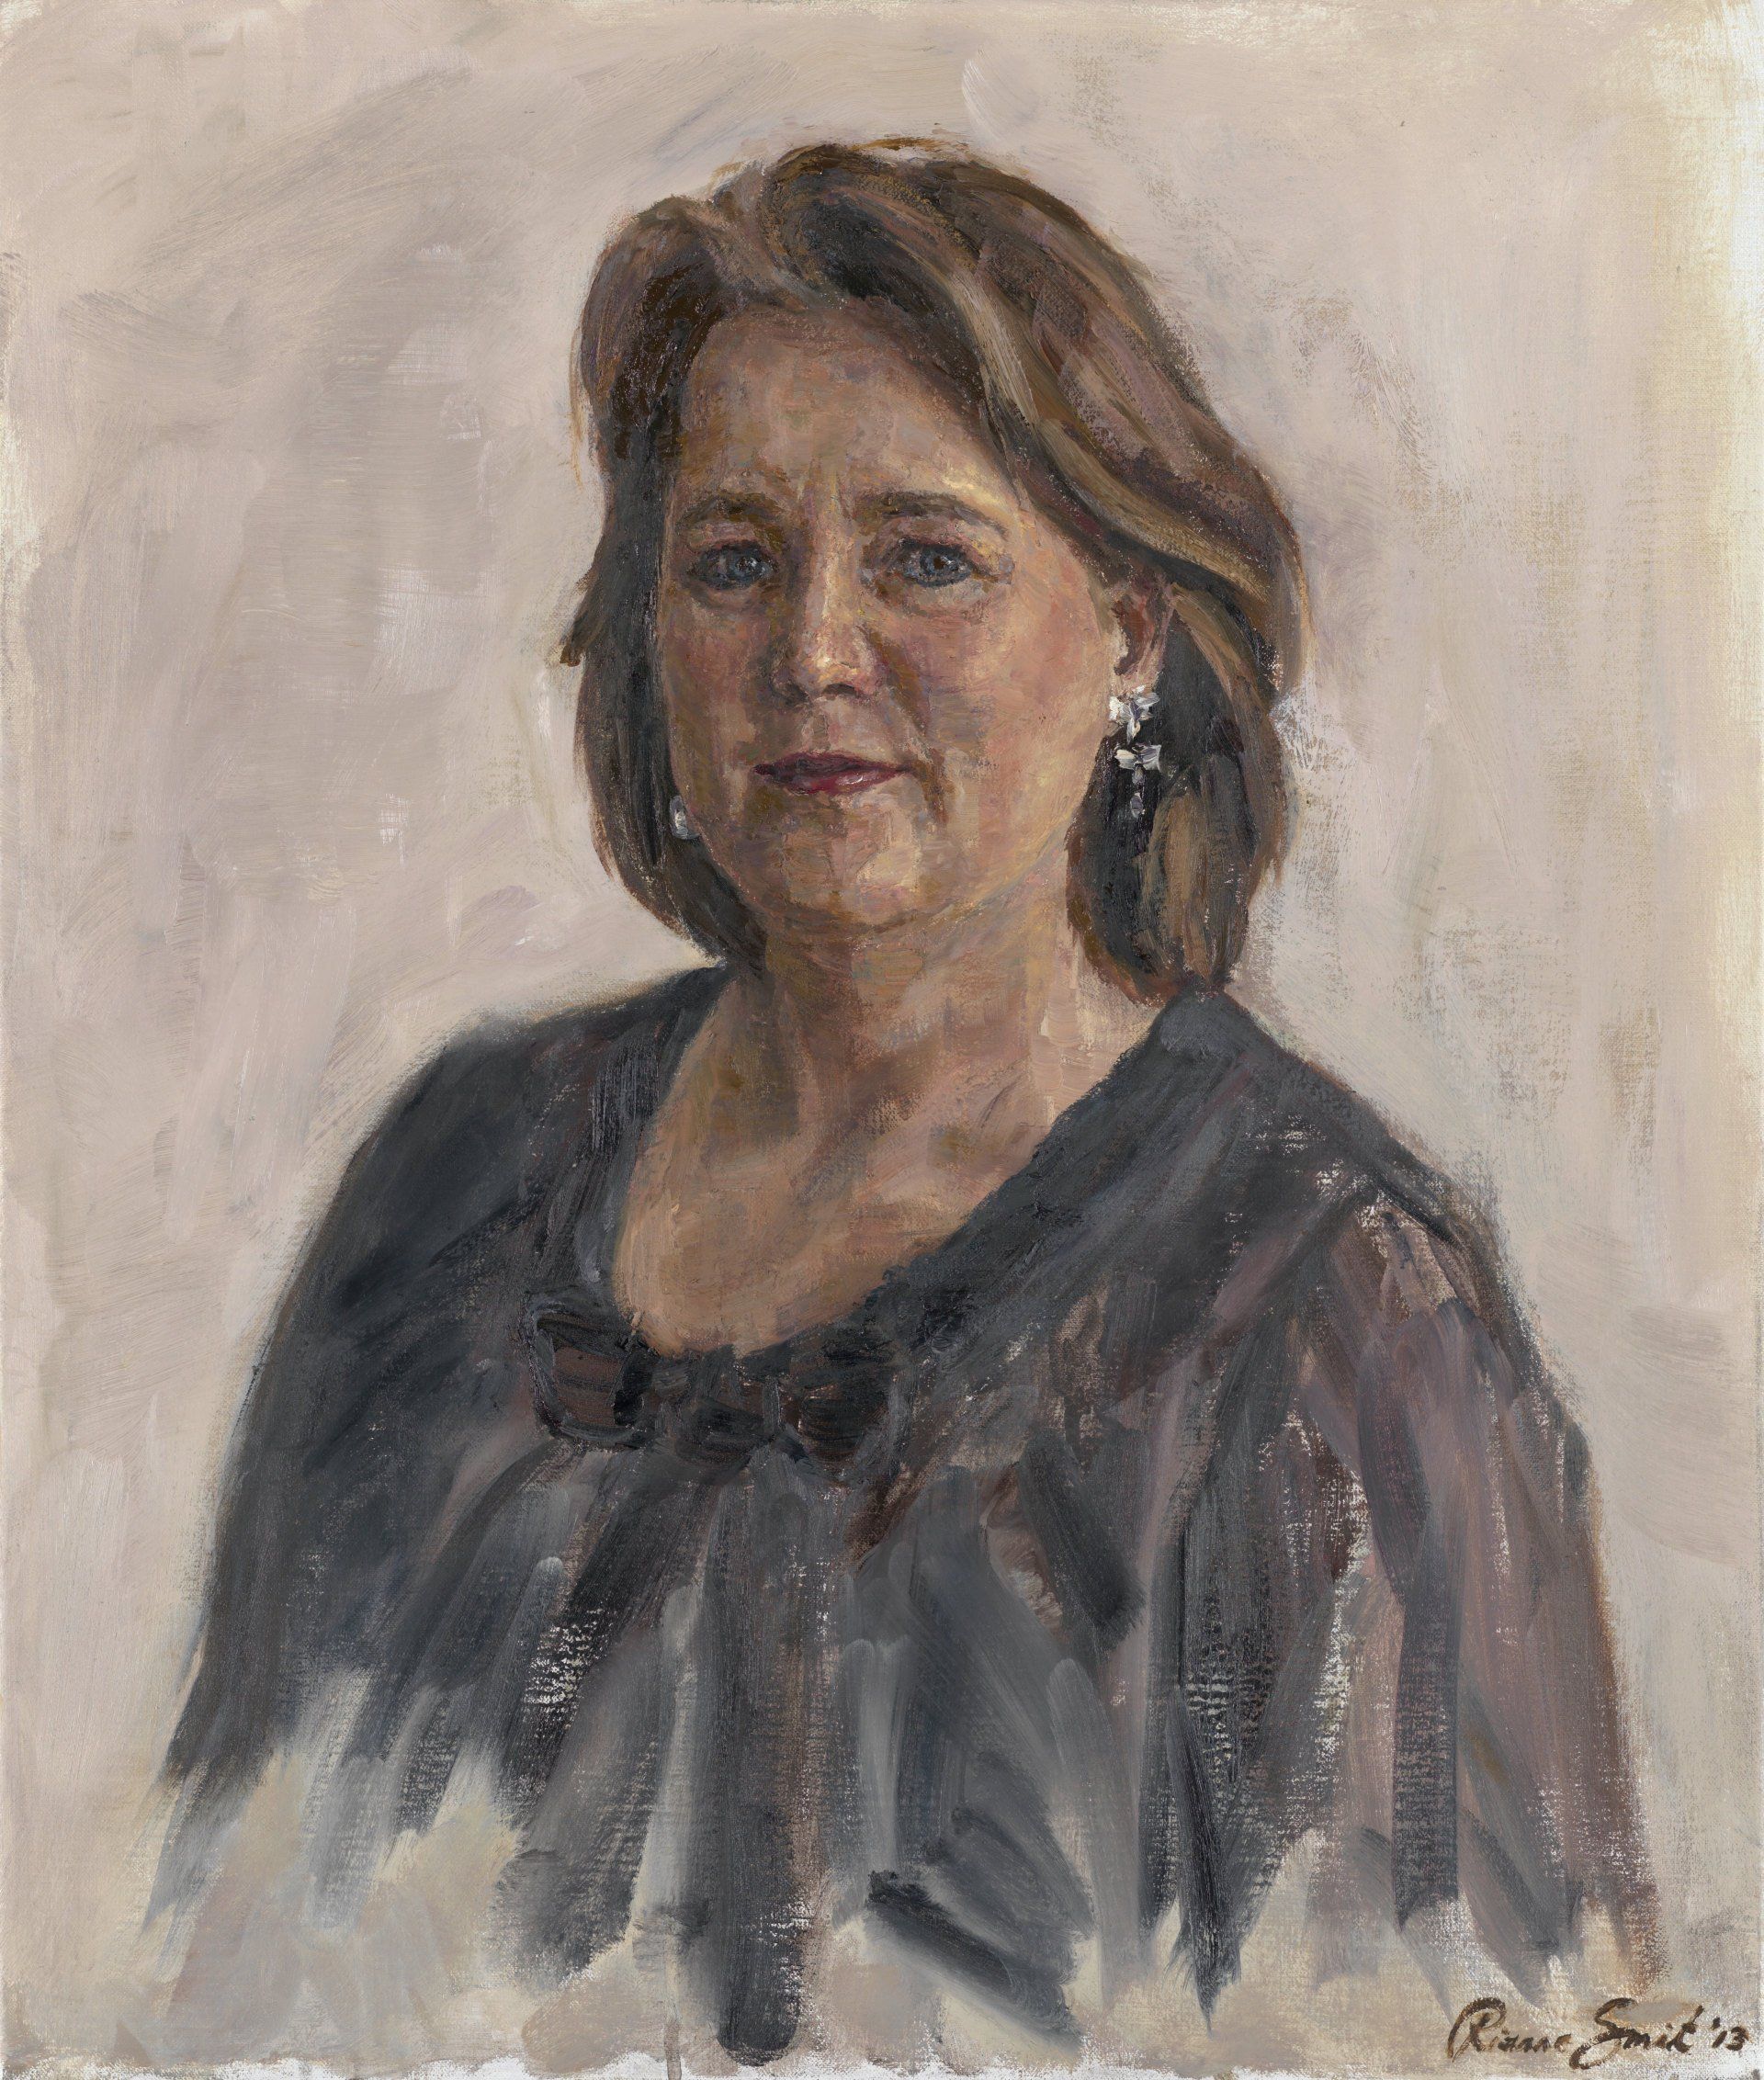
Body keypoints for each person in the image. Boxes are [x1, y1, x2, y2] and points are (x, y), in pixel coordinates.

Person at [153, 139, 1658, 2064]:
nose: (810, 654)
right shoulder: (450, 1186)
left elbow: (1507, 2020)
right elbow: (214, 1959)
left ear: (1130, 630)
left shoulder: (1338, 1309)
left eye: (925, 558)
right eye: (734, 562)